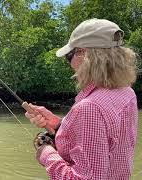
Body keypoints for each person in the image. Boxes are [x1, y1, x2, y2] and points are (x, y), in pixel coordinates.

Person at [25, 18, 139, 179]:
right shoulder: (127, 93)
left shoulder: (90, 107)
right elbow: (109, 143)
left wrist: (46, 153)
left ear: (83, 54)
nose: (70, 65)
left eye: (69, 56)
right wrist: (59, 125)